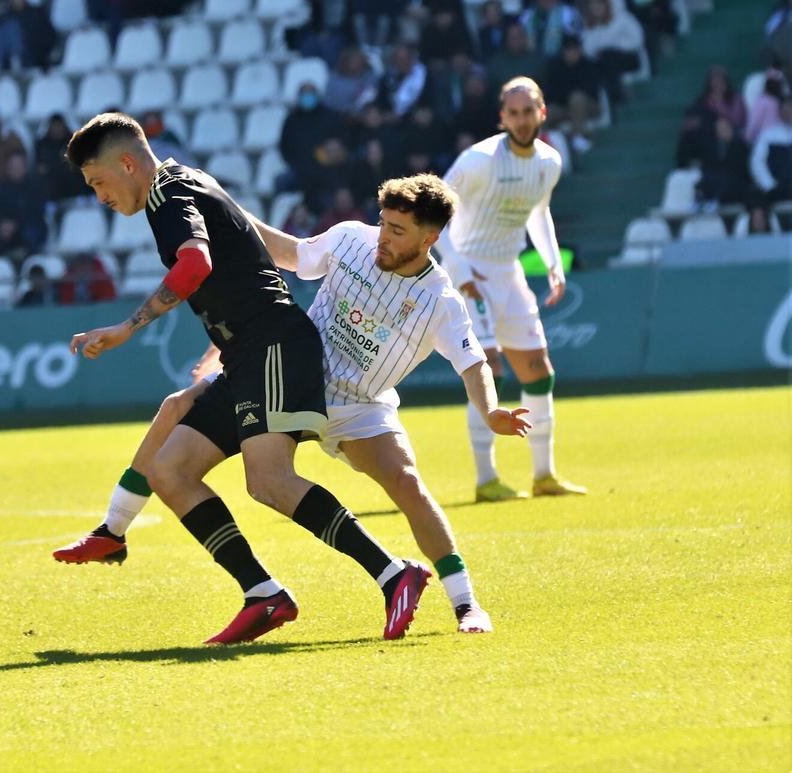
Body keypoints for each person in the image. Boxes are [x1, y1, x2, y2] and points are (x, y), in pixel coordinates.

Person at [56, 174, 535, 634]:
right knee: (177, 410)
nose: (382, 238)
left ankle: (466, 604)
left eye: (397, 231)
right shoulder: (352, 239)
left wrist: (490, 410)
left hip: (356, 406)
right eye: (383, 223)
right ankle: (114, 529)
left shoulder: (440, 302)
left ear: (429, 238)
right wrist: (222, 207)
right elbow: (287, 252)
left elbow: (473, 365)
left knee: (406, 483)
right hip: (289, 371)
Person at [64, 113, 433, 644]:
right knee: (171, 472)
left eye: (98, 182)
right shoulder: (182, 182)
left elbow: (195, 264)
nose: (98, 195)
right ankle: (263, 594)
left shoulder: (167, 196)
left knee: (268, 481)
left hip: (273, 345)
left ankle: (394, 574)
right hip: (247, 353)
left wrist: (128, 326)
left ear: (127, 163)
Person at [434, 77, 587, 503]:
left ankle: (544, 475)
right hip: (471, 273)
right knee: (488, 369)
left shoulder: (549, 163)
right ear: (502, 118)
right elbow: (435, 212)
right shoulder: (478, 160)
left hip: (509, 271)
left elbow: (539, 213)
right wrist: (458, 267)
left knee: (538, 370)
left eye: (529, 112)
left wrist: (554, 264)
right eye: (513, 113)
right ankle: (486, 480)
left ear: (542, 113)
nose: (521, 121)